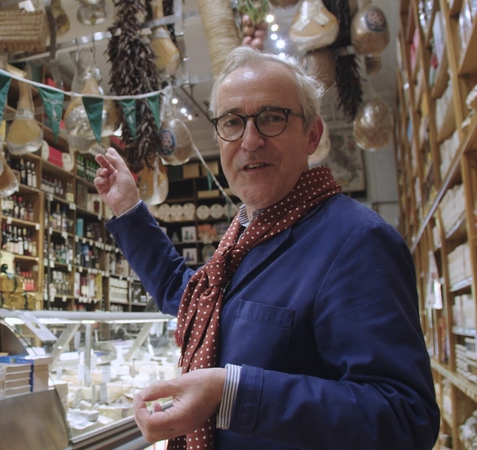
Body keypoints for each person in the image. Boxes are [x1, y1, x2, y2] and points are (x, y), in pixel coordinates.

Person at [94, 46, 439, 450]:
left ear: (313, 135)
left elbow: (405, 417)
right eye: (232, 122)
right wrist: (129, 209)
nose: (251, 140)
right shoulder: (247, 234)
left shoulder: (358, 242)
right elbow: (188, 296)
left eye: (272, 118)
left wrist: (233, 394)